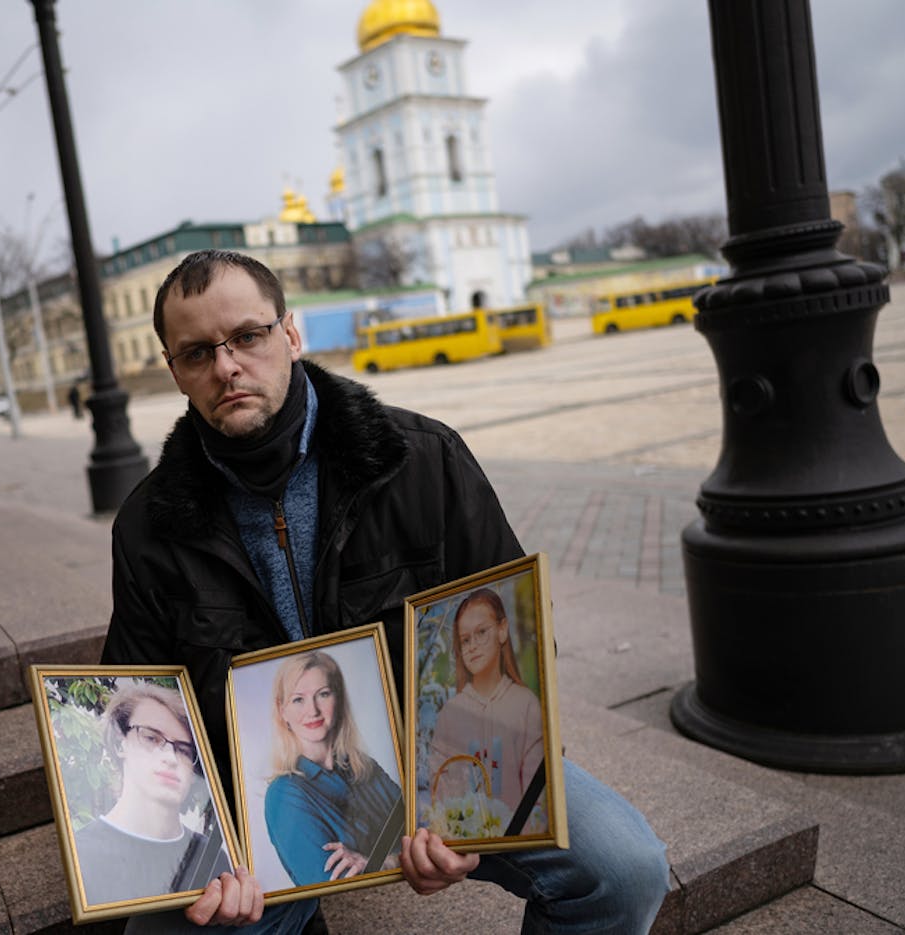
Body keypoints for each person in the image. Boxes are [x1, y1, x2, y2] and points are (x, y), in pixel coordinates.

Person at [103, 249, 670, 933]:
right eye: (198, 353)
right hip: (264, 793)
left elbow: (515, 641)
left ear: (290, 333)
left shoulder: (422, 459)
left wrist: (463, 808)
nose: (227, 367)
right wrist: (206, 840)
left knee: (627, 868)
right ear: (174, 370)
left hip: (436, 760)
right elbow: (142, 692)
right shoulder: (148, 523)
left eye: (247, 337)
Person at [72, 681, 231, 906]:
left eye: (184, 750)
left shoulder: (212, 858)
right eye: (150, 738)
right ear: (120, 743)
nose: (170, 757)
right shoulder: (81, 853)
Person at [263, 651, 402, 887]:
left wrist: (381, 863)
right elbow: (340, 894)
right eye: (298, 699)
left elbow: (426, 834)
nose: (313, 710)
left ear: (338, 699)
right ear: (282, 710)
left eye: (323, 694)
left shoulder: (366, 767)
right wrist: (403, 860)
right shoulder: (284, 795)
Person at [427, 588, 546, 837]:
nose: (473, 646)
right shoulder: (450, 712)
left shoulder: (525, 705)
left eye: (482, 632)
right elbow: (441, 791)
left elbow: (539, 797)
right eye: (465, 640)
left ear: (502, 630)